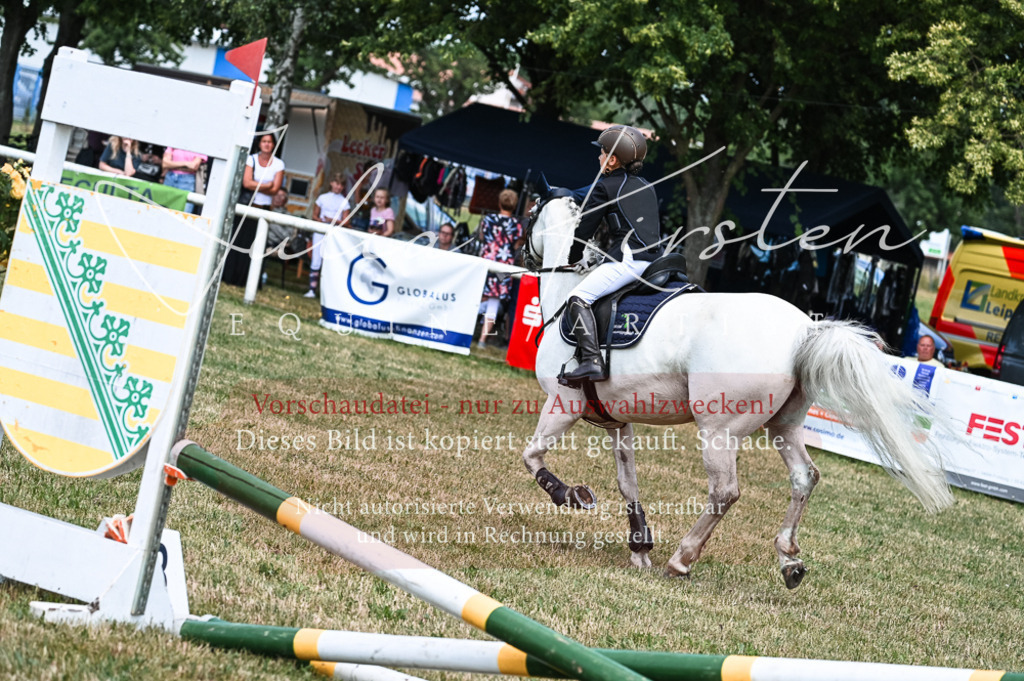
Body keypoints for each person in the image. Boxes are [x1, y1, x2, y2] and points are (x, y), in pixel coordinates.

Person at [561, 124, 663, 384]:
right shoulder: (647, 186)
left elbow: (584, 228)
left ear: (613, 160)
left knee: (578, 296)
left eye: (602, 152)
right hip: (656, 260)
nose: (599, 156)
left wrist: (573, 257)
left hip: (629, 259)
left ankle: (592, 361)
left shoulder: (606, 187)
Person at [222, 132, 286, 286]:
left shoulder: (278, 164)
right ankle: (230, 276)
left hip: (264, 209)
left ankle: (249, 281)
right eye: (264, 141)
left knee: (256, 245)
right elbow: (246, 183)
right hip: (247, 207)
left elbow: (275, 189)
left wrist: (257, 185)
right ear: (259, 143)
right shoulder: (251, 159)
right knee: (238, 241)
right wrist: (267, 185)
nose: (267, 144)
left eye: (270, 142)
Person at [476, 188, 523, 348]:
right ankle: (482, 339)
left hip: (486, 261)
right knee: (494, 303)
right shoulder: (516, 225)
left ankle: (466, 331)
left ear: (499, 202)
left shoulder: (488, 220)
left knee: (475, 295)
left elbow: (482, 237)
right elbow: (516, 245)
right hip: (503, 267)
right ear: (515, 205)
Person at [306, 173, 351, 298]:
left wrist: (334, 220)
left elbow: (346, 221)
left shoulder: (344, 201)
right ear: (331, 183)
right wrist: (320, 220)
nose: (338, 187)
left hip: (334, 233)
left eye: (341, 185)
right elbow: (315, 215)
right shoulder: (322, 198)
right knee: (316, 259)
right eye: (337, 183)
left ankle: (327, 293)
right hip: (320, 230)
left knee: (330, 260)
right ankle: (312, 289)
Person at [162, 146, 208, 214]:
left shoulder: (200, 145)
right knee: (162, 211)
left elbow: (194, 166)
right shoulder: (176, 141)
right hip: (170, 178)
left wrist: (172, 165)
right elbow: (165, 164)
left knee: (183, 215)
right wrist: (186, 164)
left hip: (187, 181)